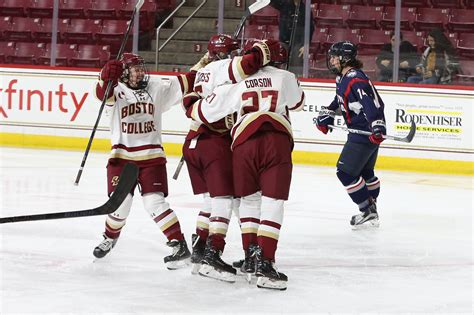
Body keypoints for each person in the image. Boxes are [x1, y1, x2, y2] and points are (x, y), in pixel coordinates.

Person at [183, 41, 305, 290]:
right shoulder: (286, 76)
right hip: (276, 140)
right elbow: (298, 104)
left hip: (241, 144)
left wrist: (190, 100)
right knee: (271, 203)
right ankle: (265, 264)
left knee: (247, 201)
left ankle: (250, 258)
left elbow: (204, 113)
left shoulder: (235, 81)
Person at [92, 53, 201, 269]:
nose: (141, 72)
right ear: (124, 73)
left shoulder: (157, 86)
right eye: (135, 69)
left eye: (142, 68)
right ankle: (109, 237)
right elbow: (102, 93)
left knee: (155, 203)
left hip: (152, 158)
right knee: (120, 206)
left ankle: (178, 244)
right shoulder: (116, 90)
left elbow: (189, 79)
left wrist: (207, 61)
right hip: (122, 158)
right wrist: (105, 77)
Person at [315, 41, 385, 229]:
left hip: (364, 133)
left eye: (334, 57)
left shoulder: (355, 78)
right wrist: (327, 113)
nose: (331, 60)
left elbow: (370, 103)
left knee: (345, 173)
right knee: (365, 172)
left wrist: (377, 125)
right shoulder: (343, 78)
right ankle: (372, 207)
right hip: (362, 133)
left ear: (344, 59)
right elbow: (341, 99)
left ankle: (367, 210)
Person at [270, 0, 314, 76]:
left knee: (296, 64)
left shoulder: (305, 10)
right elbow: (272, 2)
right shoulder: (284, 4)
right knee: (280, 64)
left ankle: (296, 81)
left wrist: (306, 44)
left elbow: (310, 28)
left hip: (298, 43)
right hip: (283, 40)